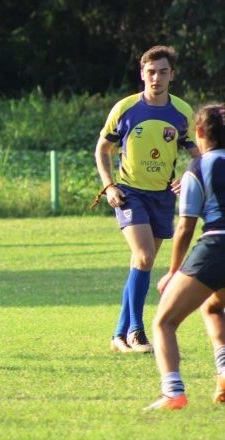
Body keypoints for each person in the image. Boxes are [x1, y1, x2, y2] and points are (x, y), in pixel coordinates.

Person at [93, 45, 198, 353]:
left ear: (171, 75)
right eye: (151, 72)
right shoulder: (125, 108)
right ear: (142, 74)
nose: (156, 78)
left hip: (163, 196)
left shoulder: (182, 112)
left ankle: (118, 334)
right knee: (144, 257)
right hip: (129, 193)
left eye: (163, 72)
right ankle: (137, 332)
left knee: (141, 264)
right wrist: (110, 186)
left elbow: (197, 155)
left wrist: (187, 177)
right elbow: (102, 149)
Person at [145, 104, 225, 410]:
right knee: (215, 307)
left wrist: (174, 270)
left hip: (215, 248)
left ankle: (173, 392)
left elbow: (185, 228)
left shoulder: (198, 168)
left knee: (164, 322)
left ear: (200, 132)